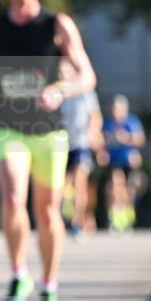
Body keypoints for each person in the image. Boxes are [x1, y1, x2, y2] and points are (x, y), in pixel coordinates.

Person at [0, 0, 96, 301]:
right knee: (12, 197)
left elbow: (87, 76)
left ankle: (49, 286)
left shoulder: (57, 25)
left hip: (49, 131)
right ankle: (18, 274)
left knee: (47, 211)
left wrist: (61, 89)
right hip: (8, 127)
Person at [61, 71, 103, 237]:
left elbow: (95, 117)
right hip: (60, 144)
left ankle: (77, 223)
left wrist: (94, 136)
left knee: (80, 182)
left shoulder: (85, 92)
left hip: (81, 143)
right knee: (62, 186)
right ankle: (63, 217)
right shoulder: (56, 90)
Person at [101, 94, 145, 232]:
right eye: (113, 108)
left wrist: (127, 138)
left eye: (118, 109)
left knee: (128, 190)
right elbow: (101, 141)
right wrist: (102, 153)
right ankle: (114, 218)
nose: (116, 112)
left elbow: (140, 139)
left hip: (128, 161)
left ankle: (127, 218)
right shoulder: (107, 122)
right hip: (114, 161)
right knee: (114, 185)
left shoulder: (131, 121)